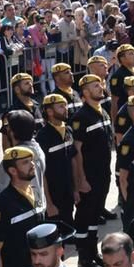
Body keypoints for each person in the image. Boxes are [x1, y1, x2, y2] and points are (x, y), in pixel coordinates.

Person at [70, 74, 113, 267]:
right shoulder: (81, 117)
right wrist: (80, 180)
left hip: (103, 175)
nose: (100, 88)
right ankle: (83, 260)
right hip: (89, 176)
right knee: (85, 218)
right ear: (85, 92)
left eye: (100, 84)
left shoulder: (102, 112)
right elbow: (76, 151)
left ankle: (92, 252)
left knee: (95, 216)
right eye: (95, 86)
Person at [38, 94, 77, 238]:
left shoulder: (68, 131)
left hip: (68, 189)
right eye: (61, 106)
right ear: (49, 111)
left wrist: (76, 188)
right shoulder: (42, 137)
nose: (65, 109)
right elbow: (42, 172)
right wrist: (48, 202)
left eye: (65, 105)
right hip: (53, 193)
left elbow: (73, 160)